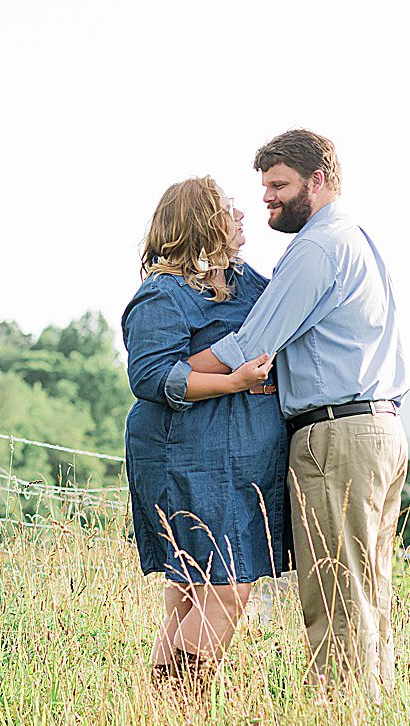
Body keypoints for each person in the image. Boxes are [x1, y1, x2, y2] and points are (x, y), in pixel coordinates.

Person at [188, 129, 409, 703]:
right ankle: (370, 724)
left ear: (319, 181)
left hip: (336, 434)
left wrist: (173, 374)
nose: (267, 198)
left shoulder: (316, 249)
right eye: (264, 186)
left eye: (280, 185)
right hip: (378, 428)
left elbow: (252, 345)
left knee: (335, 593)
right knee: (367, 593)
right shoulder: (357, 241)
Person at [122, 176, 291, 691]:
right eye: (229, 209)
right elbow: (151, 376)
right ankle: (184, 706)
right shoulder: (163, 295)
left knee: (193, 589)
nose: (243, 217)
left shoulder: (246, 285)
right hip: (190, 460)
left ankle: (163, 715)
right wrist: (233, 380)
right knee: (226, 588)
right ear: (201, 224)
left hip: (239, 461)